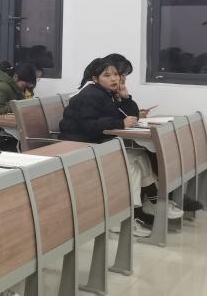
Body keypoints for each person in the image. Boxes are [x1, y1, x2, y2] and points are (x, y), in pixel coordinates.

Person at [60, 58, 164, 234]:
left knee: (137, 154)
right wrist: (120, 123)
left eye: (115, 74)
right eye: (107, 75)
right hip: (79, 147)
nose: (114, 78)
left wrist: (125, 98)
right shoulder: (91, 95)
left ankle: (145, 204)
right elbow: (89, 125)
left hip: (94, 144)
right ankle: (122, 218)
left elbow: (130, 117)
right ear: (95, 78)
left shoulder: (106, 93)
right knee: (129, 160)